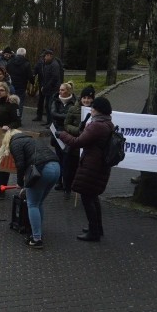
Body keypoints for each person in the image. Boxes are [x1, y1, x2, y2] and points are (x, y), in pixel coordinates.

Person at [57, 96, 116, 241]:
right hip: (99, 165)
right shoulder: (107, 123)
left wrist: (62, 134)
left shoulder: (97, 126)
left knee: (87, 198)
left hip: (92, 166)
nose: (91, 109)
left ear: (98, 110)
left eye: (93, 107)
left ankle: (94, 232)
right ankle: (97, 227)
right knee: (93, 197)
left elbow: (78, 142)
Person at [0, 128, 60, 249]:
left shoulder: (14, 143)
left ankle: (36, 239)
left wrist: (20, 183)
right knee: (39, 202)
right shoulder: (30, 140)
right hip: (56, 167)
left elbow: (20, 165)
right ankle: (38, 231)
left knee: (32, 204)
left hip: (42, 170)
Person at [62, 86, 95, 196]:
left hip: (87, 146)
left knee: (83, 171)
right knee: (69, 169)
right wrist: (78, 130)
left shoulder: (95, 112)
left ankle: (81, 189)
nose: (86, 100)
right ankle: (67, 188)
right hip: (74, 144)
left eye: (89, 98)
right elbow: (66, 125)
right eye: (84, 98)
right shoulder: (73, 109)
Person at [49, 81, 76, 190]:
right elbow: (53, 114)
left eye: (63, 90)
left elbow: (74, 116)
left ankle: (67, 182)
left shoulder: (74, 102)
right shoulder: (55, 100)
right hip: (57, 133)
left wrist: (64, 117)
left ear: (68, 91)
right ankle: (59, 181)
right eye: (60, 89)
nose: (60, 91)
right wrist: (67, 117)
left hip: (68, 134)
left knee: (67, 160)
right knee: (59, 158)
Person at [34, 49, 63, 125]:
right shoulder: (46, 64)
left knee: (51, 106)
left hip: (53, 89)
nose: (44, 58)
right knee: (47, 105)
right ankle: (49, 121)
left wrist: (46, 86)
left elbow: (54, 77)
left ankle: (52, 123)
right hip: (48, 88)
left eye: (45, 56)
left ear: (49, 56)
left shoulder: (54, 65)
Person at [7, 47, 33, 116]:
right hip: (22, 85)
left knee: (11, 100)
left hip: (11, 84)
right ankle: (18, 116)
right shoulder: (26, 63)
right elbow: (30, 75)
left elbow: (7, 71)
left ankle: (10, 116)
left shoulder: (10, 61)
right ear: (24, 54)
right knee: (20, 102)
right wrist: (32, 82)